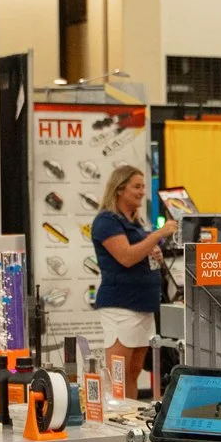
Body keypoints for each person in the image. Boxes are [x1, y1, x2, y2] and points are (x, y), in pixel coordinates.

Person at [91, 164, 175, 398]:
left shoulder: (135, 222)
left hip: (144, 305)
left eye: (143, 187)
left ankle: (128, 421)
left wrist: (153, 251)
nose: (141, 192)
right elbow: (126, 257)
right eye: (136, 187)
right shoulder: (106, 221)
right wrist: (157, 235)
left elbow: (137, 252)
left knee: (134, 371)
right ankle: (112, 422)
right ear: (119, 189)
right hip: (121, 305)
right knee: (117, 373)